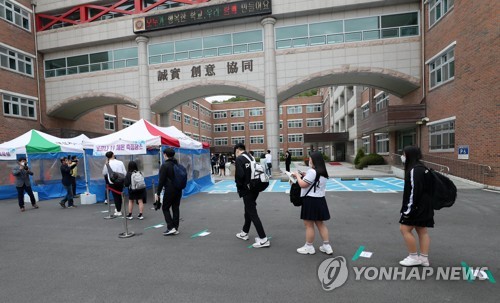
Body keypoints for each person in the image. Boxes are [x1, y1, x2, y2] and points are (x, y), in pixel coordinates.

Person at [399, 146, 434, 267]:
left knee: (404, 229)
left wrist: (408, 210)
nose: (402, 157)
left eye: (403, 154)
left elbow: (414, 191)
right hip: (425, 205)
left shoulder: (414, 170)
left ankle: (413, 257)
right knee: (422, 231)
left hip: (416, 207)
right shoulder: (422, 168)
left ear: (409, 155)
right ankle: (424, 259)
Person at [292, 151, 332, 255]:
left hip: (310, 201)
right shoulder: (323, 172)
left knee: (309, 225)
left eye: (310, 159)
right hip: (320, 200)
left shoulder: (312, 172)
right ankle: (327, 246)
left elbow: (302, 184)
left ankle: (309, 247)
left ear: (314, 161)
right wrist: (305, 175)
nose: (309, 161)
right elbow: (314, 181)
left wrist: (297, 175)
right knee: (320, 224)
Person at [234, 143, 270, 248]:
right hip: (255, 187)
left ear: (237, 150)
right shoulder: (251, 156)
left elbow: (239, 176)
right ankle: (244, 232)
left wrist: (239, 187)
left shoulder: (239, 159)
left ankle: (263, 239)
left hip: (247, 189)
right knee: (248, 211)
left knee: (252, 213)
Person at [156, 148, 182, 236]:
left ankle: (171, 227)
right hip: (178, 189)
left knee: (165, 208)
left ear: (165, 155)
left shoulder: (165, 165)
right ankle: (175, 227)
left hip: (170, 189)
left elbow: (161, 181)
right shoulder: (177, 163)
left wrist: (158, 192)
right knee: (175, 207)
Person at [102, 151, 126, 216]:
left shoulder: (107, 164)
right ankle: (119, 209)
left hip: (112, 182)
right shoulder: (120, 162)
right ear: (113, 155)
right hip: (121, 181)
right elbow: (124, 172)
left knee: (116, 196)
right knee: (120, 195)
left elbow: (104, 173)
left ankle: (118, 210)